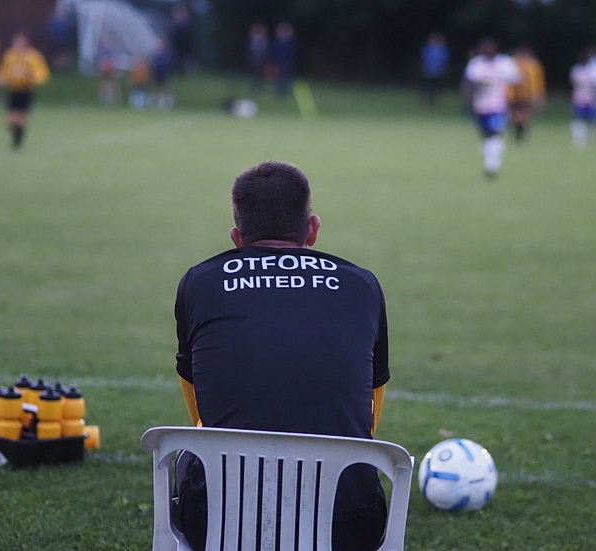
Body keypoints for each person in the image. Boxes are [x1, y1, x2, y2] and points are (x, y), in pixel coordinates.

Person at [173, 161, 390, 551]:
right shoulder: (363, 284)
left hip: (221, 521)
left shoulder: (200, 281)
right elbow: (370, 414)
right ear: (312, 229)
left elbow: (198, 411)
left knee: (191, 453)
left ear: (237, 238)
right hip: (345, 523)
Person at [463, 37, 521, 178]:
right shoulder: (476, 63)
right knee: (485, 135)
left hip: (498, 106)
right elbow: (468, 82)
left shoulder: (504, 63)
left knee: (494, 133)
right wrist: (468, 95)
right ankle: (490, 158)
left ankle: (492, 166)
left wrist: (516, 101)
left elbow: (517, 80)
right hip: (480, 106)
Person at [0, 33, 51, 150]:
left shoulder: (33, 56)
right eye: (15, 43)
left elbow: (42, 73)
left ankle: (17, 141)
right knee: (9, 119)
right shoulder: (9, 55)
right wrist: (0, 81)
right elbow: (4, 71)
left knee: (21, 118)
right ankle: (17, 136)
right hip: (13, 90)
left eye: (19, 43)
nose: (17, 45)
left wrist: (34, 79)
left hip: (26, 90)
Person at [570, 48, 596, 149]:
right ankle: (591, 139)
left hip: (580, 97)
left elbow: (573, 83)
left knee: (580, 120)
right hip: (590, 97)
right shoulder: (593, 71)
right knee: (590, 120)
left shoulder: (576, 70)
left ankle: (580, 140)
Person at [507, 45, 546, 141]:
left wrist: (539, 94)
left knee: (525, 115)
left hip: (528, 95)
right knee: (517, 115)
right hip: (515, 95)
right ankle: (518, 131)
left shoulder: (534, 65)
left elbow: (538, 81)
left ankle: (521, 131)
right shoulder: (513, 64)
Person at [420, 32, 450, 105]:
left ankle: (434, 99)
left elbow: (446, 57)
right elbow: (423, 56)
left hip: (438, 71)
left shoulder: (442, 49)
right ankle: (428, 99)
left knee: (436, 86)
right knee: (428, 85)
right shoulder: (427, 48)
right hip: (428, 71)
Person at [270, 22, 296, 97]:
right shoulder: (275, 43)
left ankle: (286, 93)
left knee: (287, 80)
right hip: (277, 64)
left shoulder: (291, 43)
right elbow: (272, 54)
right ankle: (279, 93)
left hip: (288, 65)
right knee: (278, 80)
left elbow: (293, 55)